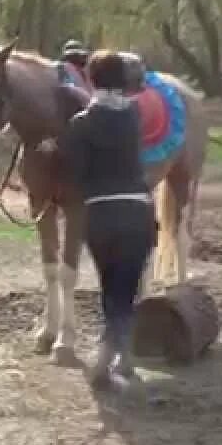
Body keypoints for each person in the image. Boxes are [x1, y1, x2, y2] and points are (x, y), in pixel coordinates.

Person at [59, 51, 158, 390]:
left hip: (100, 217)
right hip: (138, 212)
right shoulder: (133, 115)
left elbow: (75, 171)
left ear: (90, 79)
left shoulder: (80, 124)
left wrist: (53, 148)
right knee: (125, 292)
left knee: (109, 289)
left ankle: (115, 360)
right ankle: (110, 362)